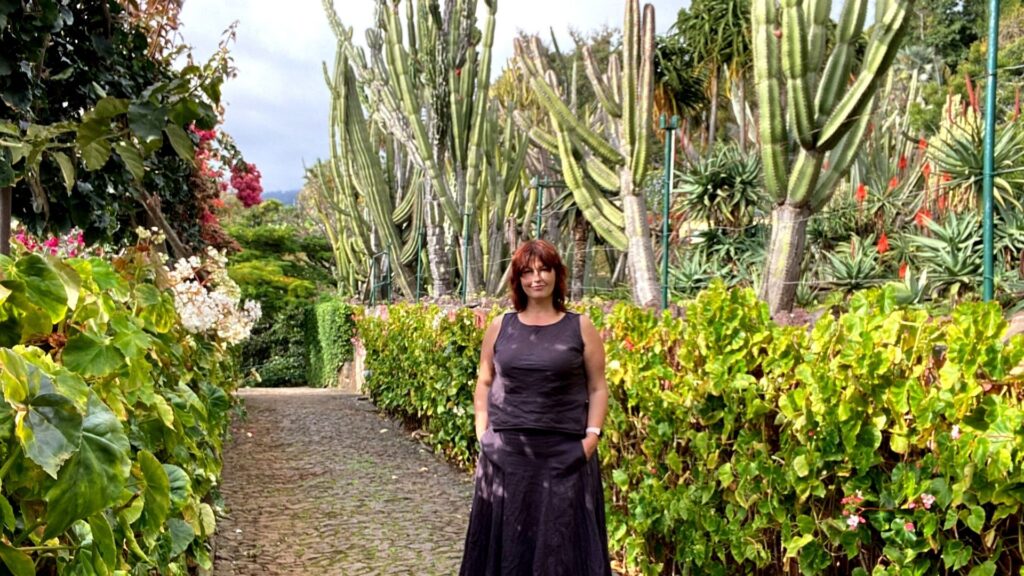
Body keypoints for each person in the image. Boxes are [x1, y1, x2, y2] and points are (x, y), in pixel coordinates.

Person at [459, 239, 612, 576]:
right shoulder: (500, 326)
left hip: (565, 455)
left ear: (557, 274)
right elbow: (484, 382)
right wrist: (483, 435)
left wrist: (591, 438)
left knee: (563, 548)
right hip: (506, 454)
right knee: (510, 545)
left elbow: (598, 387)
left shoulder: (580, 326)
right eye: (527, 272)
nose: (536, 278)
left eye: (544, 269)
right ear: (518, 280)